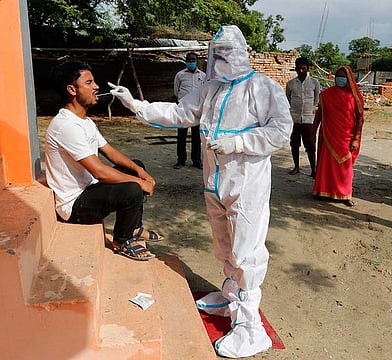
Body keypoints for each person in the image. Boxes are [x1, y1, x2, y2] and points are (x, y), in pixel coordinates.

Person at [109, 25, 293, 358]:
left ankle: (251, 328)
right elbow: (181, 113)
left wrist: (239, 142)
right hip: (215, 182)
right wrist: (137, 104)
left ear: (240, 54)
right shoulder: (211, 89)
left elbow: (281, 131)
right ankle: (229, 294)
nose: (219, 60)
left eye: (225, 54)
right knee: (224, 244)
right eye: (216, 54)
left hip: (246, 184)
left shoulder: (262, 88)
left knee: (246, 251)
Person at [45, 60, 162, 261]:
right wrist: (140, 183)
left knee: (135, 167)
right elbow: (99, 171)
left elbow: (109, 151)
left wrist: (140, 172)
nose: (96, 87)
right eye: (89, 83)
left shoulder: (85, 122)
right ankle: (121, 240)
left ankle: (134, 227)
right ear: (72, 89)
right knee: (131, 188)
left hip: (90, 189)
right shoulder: (66, 125)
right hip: (74, 205)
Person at [312, 65, 364, 207]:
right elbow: (319, 114)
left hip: (346, 137)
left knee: (345, 167)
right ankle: (323, 191)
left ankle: (346, 194)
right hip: (329, 135)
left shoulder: (354, 97)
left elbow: (360, 118)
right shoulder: (326, 95)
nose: (339, 79)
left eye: (343, 77)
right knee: (326, 165)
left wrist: (356, 138)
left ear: (349, 79)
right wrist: (313, 130)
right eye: (337, 76)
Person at [286, 57, 321, 177]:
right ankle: (296, 167)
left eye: (303, 68)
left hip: (308, 120)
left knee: (310, 146)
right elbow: (288, 99)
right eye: (298, 68)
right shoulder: (290, 84)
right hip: (294, 119)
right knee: (294, 144)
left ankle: (313, 169)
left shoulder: (314, 83)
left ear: (307, 68)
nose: (301, 71)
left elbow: (316, 100)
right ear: (295, 69)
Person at [173, 52, 206, 169]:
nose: (191, 62)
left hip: (197, 110)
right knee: (181, 135)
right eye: (189, 60)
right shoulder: (180, 75)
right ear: (186, 61)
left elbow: (204, 92)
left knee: (197, 136)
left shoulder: (203, 76)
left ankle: (196, 160)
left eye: (193, 60)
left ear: (197, 61)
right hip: (183, 110)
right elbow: (176, 92)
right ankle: (181, 160)